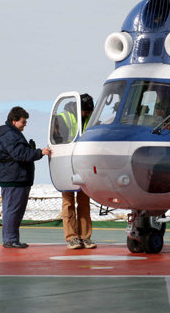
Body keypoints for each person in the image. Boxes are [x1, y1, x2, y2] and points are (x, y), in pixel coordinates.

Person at [0, 106, 51, 248]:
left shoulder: (9, 134)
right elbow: (19, 154)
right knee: (13, 210)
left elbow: (18, 152)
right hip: (15, 178)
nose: (25, 125)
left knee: (11, 209)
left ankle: (11, 239)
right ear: (14, 121)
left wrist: (30, 150)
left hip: (13, 178)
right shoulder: (10, 135)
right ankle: (10, 240)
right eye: (23, 122)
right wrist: (39, 152)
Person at [62, 93, 97, 249]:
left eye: (90, 112)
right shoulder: (63, 118)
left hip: (83, 165)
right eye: (85, 111)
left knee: (84, 202)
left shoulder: (92, 120)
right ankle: (72, 237)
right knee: (68, 202)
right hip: (66, 164)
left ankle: (85, 237)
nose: (87, 114)